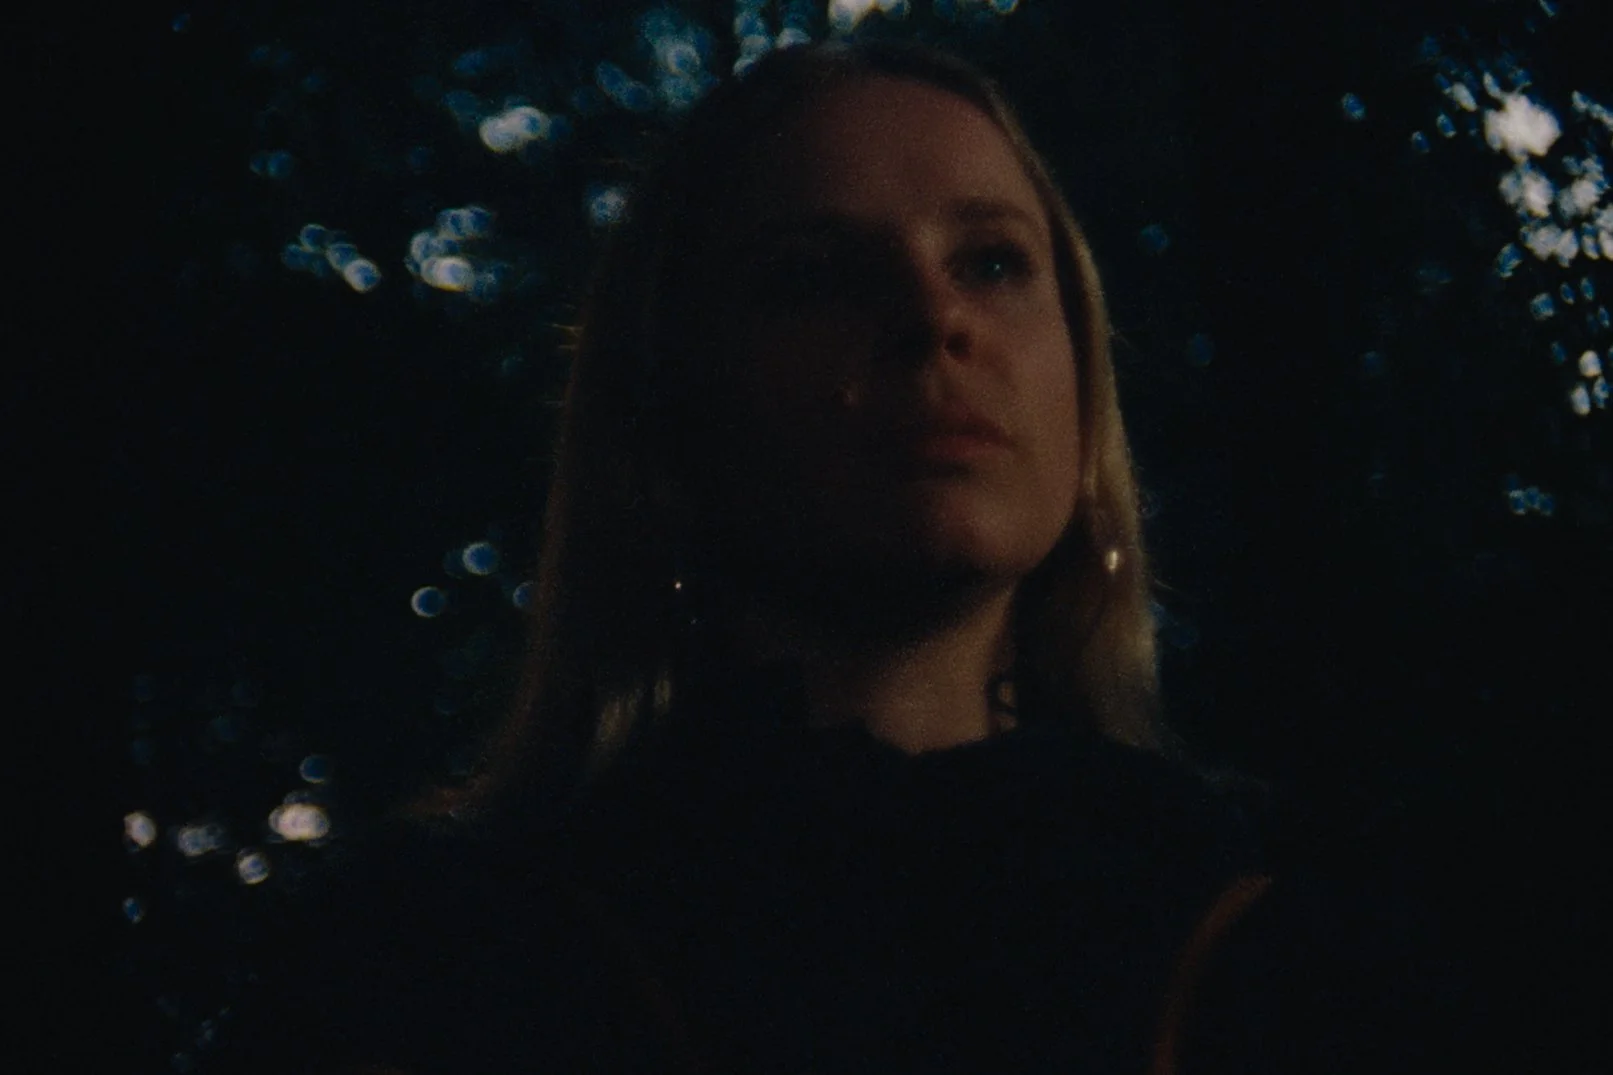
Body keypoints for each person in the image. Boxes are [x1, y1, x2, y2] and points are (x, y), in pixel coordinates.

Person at [218, 39, 1352, 1075]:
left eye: (993, 262)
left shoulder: (1287, 931)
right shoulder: (442, 963)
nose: (933, 316)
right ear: (669, 407)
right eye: (812, 274)